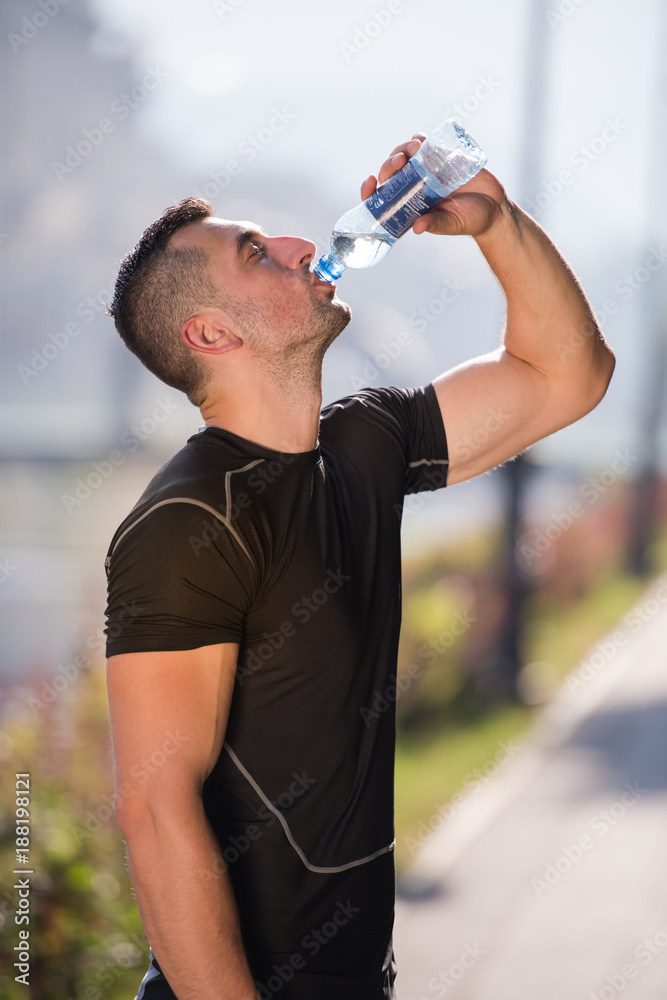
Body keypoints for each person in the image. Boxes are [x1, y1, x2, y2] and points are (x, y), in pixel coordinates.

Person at [104, 133, 615, 1000]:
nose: (303, 244)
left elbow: (569, 375)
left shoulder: (365, 442)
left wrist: (495, 221)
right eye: (255, 252)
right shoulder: (185, 521)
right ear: (211, 332)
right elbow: (155, 811)